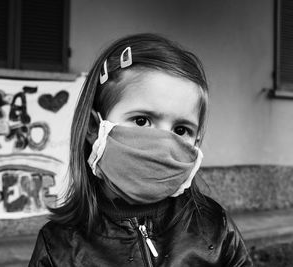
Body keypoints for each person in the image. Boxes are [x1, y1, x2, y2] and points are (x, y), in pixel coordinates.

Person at [28, 33, 253, 267]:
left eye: (180, 129)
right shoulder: (59, 246)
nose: (164, 144)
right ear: (95, 128)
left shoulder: (214, 226)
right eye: (142, 121)